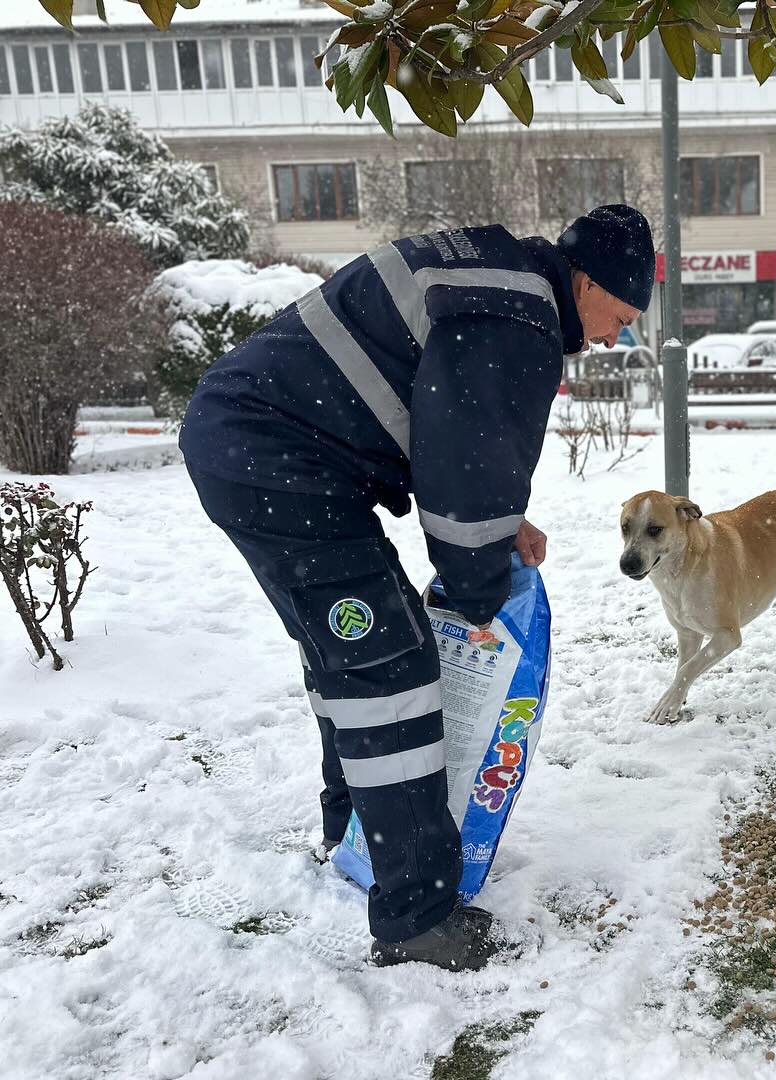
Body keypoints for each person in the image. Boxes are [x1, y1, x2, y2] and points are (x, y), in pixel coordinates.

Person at [179, 205, 654, 970]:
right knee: (389, 671)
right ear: (588, 280)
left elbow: (453, 436)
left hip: (262, 449)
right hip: (278, 463)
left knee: (354, 658)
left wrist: (502, 527)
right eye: (621, 315)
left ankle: (354, 832)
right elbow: (466, 484)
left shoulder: (498, 279)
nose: (615, 337)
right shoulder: (518, 315)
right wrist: (479, 589)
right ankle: (415, 917)